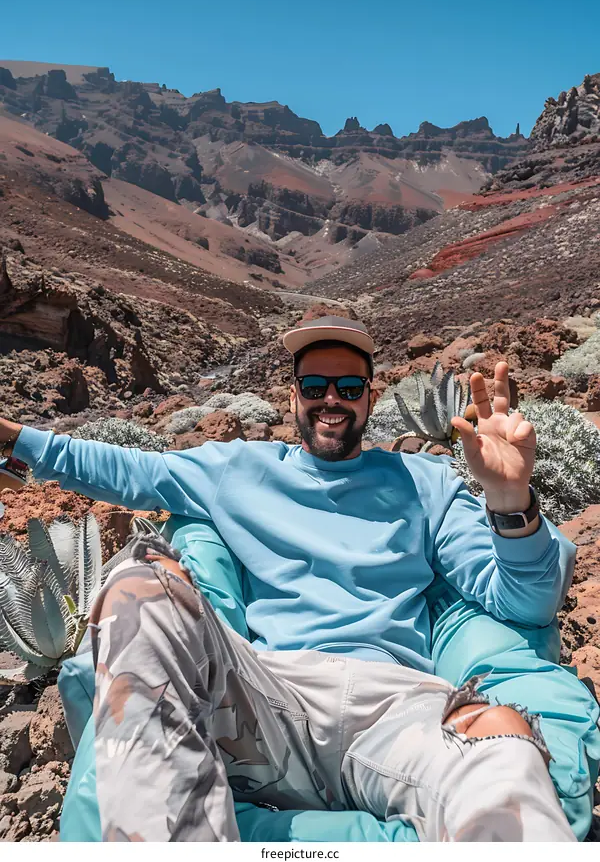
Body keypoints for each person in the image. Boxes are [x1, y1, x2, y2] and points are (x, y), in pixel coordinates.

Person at [0, 317, 578, 842]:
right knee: (137, 585)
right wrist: (11, 441)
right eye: (315, 387)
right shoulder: (237, 469)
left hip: (398, 705)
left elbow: (526, 604)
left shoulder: (428, 484)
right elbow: (125, 471)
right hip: (268, 698)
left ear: (371, 399)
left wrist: (507, 496)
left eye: (349, 389)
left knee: (503, 747)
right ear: (293, 395)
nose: (332, 401)